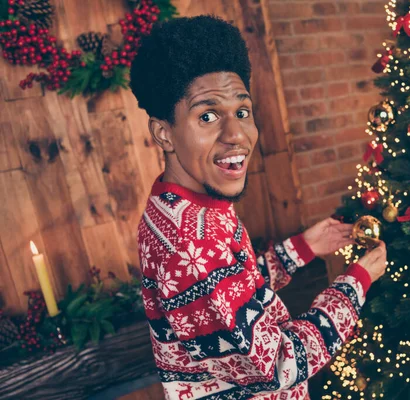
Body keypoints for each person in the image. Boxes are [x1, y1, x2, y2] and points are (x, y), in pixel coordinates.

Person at [130, 15, 387, 400]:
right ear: (163, 133)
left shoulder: (178, 204)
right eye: (208, 115)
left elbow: (230, 292)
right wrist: (356, 283)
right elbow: (279, 363)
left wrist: (301, 249)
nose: (236, 135)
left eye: (242, 111)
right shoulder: (189, 243)